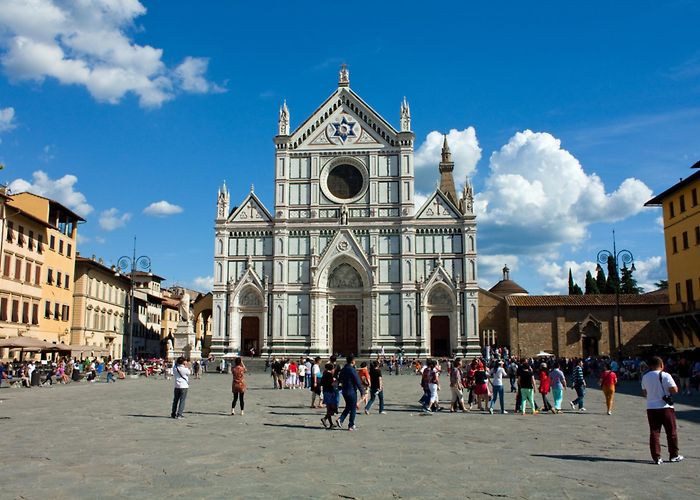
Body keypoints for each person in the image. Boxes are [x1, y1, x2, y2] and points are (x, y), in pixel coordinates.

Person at [641, 356, 683, 464]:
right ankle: (674, 455)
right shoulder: (665, 375)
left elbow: (645, 393)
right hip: (665, 408)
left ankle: (656, 457)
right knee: (671, 432)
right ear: (661, 365)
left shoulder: (645, 377)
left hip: (651, 407)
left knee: (654, 432)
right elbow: (674, 390)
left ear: (650, 366)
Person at [336, 355, 365, 430]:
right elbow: (357, 381)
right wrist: (362, 391)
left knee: (349, 406)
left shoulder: (343, 369)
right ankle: (351, 425)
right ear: (352, 361)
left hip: (344, 391)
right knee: (353, 408)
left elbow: (339, 379)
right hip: (351, 391)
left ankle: (340, 419)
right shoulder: (352, 370)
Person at [320, 363, 339, 429]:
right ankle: (325, 419)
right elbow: (332, 384)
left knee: (329, 408)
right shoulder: (329, 375)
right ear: (332, 369)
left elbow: (321, 383)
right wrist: (335, 381)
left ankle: (331, 423)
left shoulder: (324, 374)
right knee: (331, 408)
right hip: (330, 393)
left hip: (325, 392)